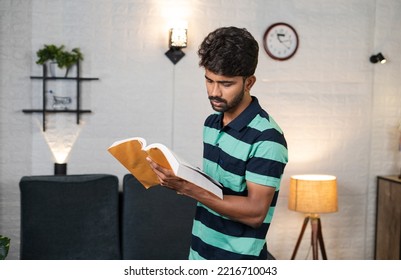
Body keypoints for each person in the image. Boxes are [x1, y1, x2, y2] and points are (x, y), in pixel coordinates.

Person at [147, 26, 288, 260]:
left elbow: (255, 214)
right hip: (199, 254)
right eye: (209, 80)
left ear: (249, 82)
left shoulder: (267, 138)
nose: (214, 92)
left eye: (226, 84)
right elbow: (217, 188)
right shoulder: (211, 124)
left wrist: (189, 188)